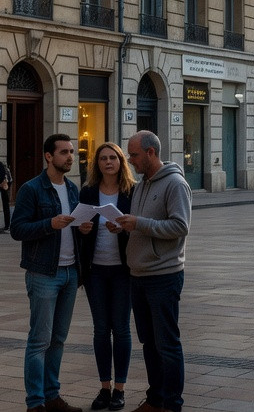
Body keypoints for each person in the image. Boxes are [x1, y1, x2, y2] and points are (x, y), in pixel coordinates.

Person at [10, 134, 88, 412]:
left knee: (58, 339)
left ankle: (52, 396)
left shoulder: (73, 189)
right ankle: (35, 403)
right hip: (44, 273)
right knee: (39, 340)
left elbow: (75, 225)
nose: (70, 157)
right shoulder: (32, 189)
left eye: (71, 152)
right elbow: (17, 230)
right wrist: (49, 224)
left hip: (70, 273)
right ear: (48, 156)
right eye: (64, 152)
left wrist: (83, 228)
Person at [114, 131, 191, 412]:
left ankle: (172, 404)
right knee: (149, 343)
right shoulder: (141, 185)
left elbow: (180, 227)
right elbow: (141, 224)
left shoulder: (175, 184)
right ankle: (155, 399)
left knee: (167, 344)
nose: (130, 160)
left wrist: (140, 223)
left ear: (150, 153)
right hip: (139, 274)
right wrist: (123, 225)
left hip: (163, 275)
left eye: (133, 155)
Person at [79, 142, 135, 412]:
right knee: (101, 329)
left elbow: (139, 226)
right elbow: (78, 226)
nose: (108, 162)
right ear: (97, 163)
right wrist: (84, 230)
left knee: (121, 328)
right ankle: (104, 387)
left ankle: (120, 389)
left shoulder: (131, 191)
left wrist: (122, 229)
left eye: (113, 158)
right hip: (96, 271)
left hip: (123, 270)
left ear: (121, 162)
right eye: (103, 158)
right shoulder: (89, 191)